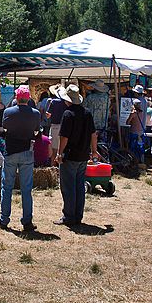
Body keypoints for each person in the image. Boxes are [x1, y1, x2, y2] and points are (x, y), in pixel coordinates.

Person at [0, 86, 41, 232]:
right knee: (26, 189)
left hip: (11, 151)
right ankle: (27, 221)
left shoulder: (8, 112)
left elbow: (5, 127)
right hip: (27, 152)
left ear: (16, 98)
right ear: (28, 98)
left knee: (7, 187)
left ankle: (4, 220)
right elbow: (36, 130)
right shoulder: (35, 113)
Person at [54, 84, 98, 226]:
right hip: (83, 155)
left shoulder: (68, 114)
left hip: (70, 155)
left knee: (68, 187)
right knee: (79, 186)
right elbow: (93, 134)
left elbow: (64, 137)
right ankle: (78, 215)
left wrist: (60, 153)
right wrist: (94, 150)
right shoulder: (87, 113)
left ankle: (69, 216)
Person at [45, 84, 67, 163]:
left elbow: (48, 115)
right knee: (62, 149)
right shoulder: (67, 102)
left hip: (55, 126)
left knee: (54, 150)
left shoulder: (53, 101)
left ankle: (53, 168)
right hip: (64, 127)